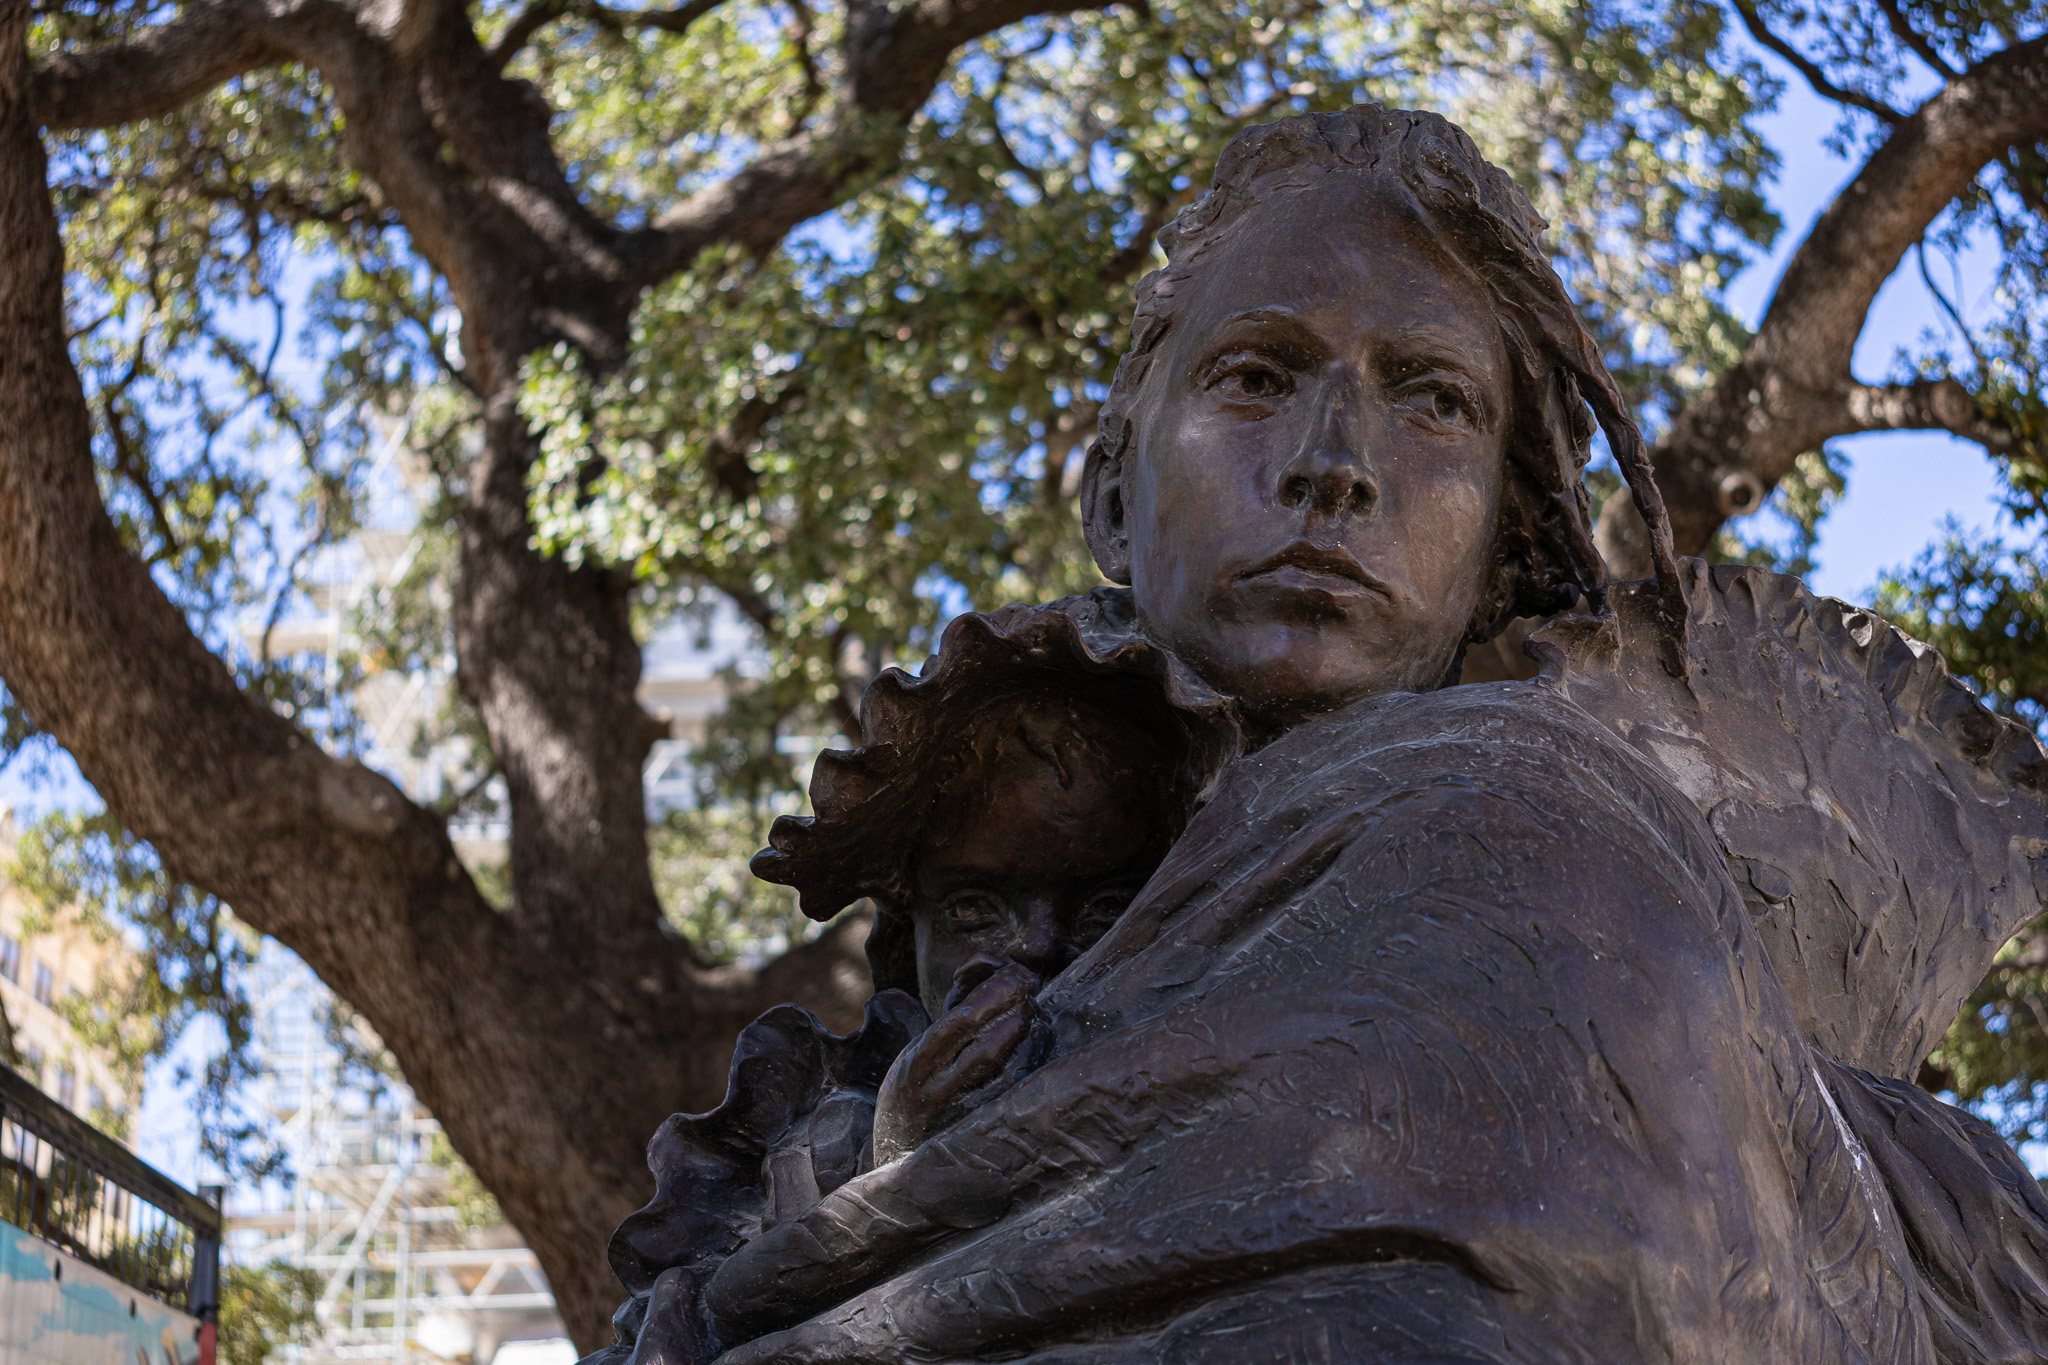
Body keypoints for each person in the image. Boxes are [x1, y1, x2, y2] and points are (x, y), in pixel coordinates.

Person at [662, 105, 2048, 1364]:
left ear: (1507, 540)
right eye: (1258, 376)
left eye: (1432, 399)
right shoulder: (974, 936)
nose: (1334, 459)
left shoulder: (1542, 829)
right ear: (1110, 496)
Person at [594, 593, 1234, 1365]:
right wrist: (895, 1159)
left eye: (1105, 906)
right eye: (974, 908)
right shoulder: (810, 1141)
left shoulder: (1252, 1079)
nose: (1035, 946)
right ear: (905, 945)